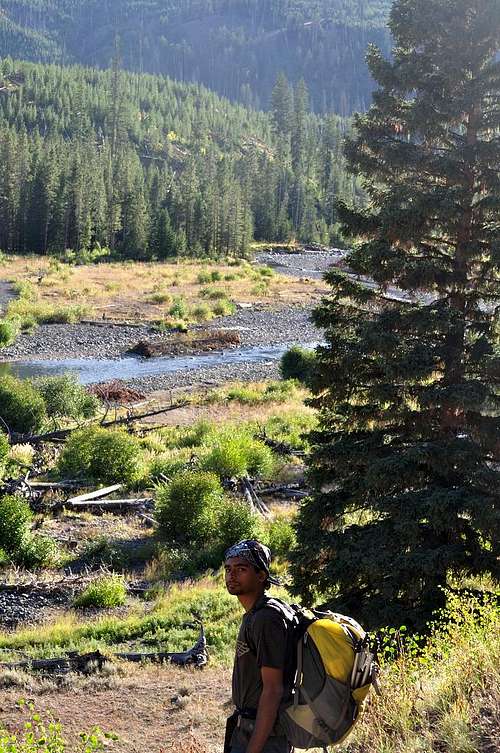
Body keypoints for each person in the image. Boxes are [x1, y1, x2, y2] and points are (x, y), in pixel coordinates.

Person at [224, 539, 295, 753]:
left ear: (261, 576)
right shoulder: (255, 614)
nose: (231, 575)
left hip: (264, 736)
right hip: (247, 728)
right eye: (228, 569)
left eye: (241, 569)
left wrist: (253, 749)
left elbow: (273, 690)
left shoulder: (266, 618)